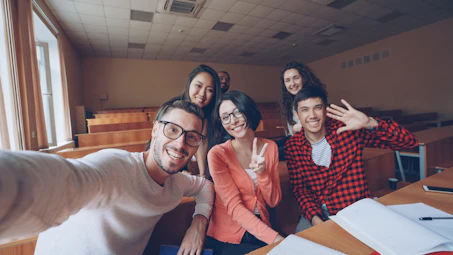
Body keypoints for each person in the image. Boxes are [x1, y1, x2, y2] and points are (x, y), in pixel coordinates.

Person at [0, 100, 214, 255]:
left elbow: (205, 186)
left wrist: (198, 223)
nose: (180, 143)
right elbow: (66, 182)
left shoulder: (176, 183)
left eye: (192, 137)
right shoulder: (116, 166)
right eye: (173, 130)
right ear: (156, 129)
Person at [285, 85, 418, 233]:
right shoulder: (292, 146)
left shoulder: (347, 130)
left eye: (317, 107)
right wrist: (315, 218)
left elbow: (408, 142)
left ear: (325, 110)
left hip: (355, 209)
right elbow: (300, 189)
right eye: (305, 110)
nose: (312, 115)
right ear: (297, 115)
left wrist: (370, 123)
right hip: (317, 213)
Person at [205, 91, 284, 255]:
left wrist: (262, 173)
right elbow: (234, 208)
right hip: (227, 236)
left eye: (237, 112)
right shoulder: (218, 154)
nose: (233, 121)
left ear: (248, 111)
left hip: (260, 227)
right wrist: (277, 239)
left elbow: (273, 201)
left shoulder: (270, 147)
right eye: (225, 117)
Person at [146, 64, 221, 178]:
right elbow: (156, 144)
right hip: (162, 165)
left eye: (209, 90)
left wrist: (202, 175)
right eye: (198, 86)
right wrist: (179, 173)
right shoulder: (173, 108)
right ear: (189, 84)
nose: (202, 93)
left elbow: (202, 145)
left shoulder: (210, 116)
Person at [276, 61, 326, 160]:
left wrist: (297, 129)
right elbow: (291, 131)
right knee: (269, 146)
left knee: (273, 153)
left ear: (304, 78)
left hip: (310, 141)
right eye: (287, 80)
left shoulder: (314, 97)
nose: (292, 83)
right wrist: (295, 129)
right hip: (295, 137)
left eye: (296, 78)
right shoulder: (289, 102)